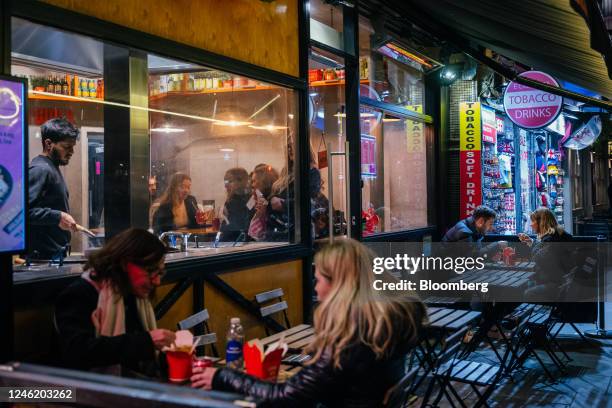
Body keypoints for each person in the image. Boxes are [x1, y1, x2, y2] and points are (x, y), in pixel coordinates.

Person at [191, 239, 426, 407]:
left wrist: (221, 377)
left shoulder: (350, 337)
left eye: (319, 279)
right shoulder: (386, 321)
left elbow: (287, 396)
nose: (315, 287)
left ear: (339, 285)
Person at [55, 228, 176, 377]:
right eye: (150, 271)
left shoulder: (131, 295)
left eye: (160, 273)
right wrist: (147, 341)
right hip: (85, 392)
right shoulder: (80, 294)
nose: (157, 281)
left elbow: (138, 356)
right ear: (125, 263)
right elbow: (77, 351)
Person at [28, 118, 79, 259]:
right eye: (67, 147)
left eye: (73, 147)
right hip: (43, 258)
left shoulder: (51, 167)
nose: (72, 152)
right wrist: (59, 216)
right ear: (49, 144)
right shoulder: (40, 169)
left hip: (54, 254)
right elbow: (25, 212)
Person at [518, 207, 573, 302]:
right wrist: (533, 242)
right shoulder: (559, 235)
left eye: (533, 221)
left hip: (556, 284)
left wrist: (534, 245)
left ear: (541, 223)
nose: (531, 225)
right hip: (564, 282)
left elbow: (539, 259)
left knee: (526, 291)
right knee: (525, 284)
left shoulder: (550, 241)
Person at [267, 134, 295, 241]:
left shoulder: (310, 172)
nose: (290, 149)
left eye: (293, 145)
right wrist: (271, 200)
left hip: (293, 233)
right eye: (288, 146)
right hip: (277, 231)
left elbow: (308, 202)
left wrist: (283, 203)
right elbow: (273, 197)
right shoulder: (285, 171)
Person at [219, 167, 252, 241]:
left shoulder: (250, 198)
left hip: (238, 241)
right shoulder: (233, 198)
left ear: (241, 181)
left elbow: (238, 226)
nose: (225, 186)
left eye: (229, 182)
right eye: (225, 182)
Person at [248, 164, 279, 241]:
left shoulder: (273, 201)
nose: (252, 185)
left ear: (264, 182)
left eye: (254, 181)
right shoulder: (258, 198)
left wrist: (262, 213)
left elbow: (267, 232)